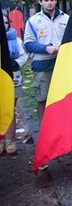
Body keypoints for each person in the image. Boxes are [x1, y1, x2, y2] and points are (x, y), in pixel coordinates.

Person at [24, 0, 69, 123]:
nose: (49, 3)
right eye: (46, 0)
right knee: (42, 98)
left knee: (62, 97)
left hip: (61, 62)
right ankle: (44, 128)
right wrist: (45, 48)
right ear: (40, 2)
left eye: (52, 0)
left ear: (56, 1)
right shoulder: (33, 21)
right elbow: (28, 43)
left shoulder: (66, 18)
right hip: (42, 63)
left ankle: (60, 126)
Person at [1, 14, 27, 155]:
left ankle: (9, 140)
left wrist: (14, 64)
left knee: (10, 108)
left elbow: (23, 56)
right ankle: (1, 139)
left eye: (5, 22)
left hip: (13, 78)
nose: (3, 25)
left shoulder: (16, 40)